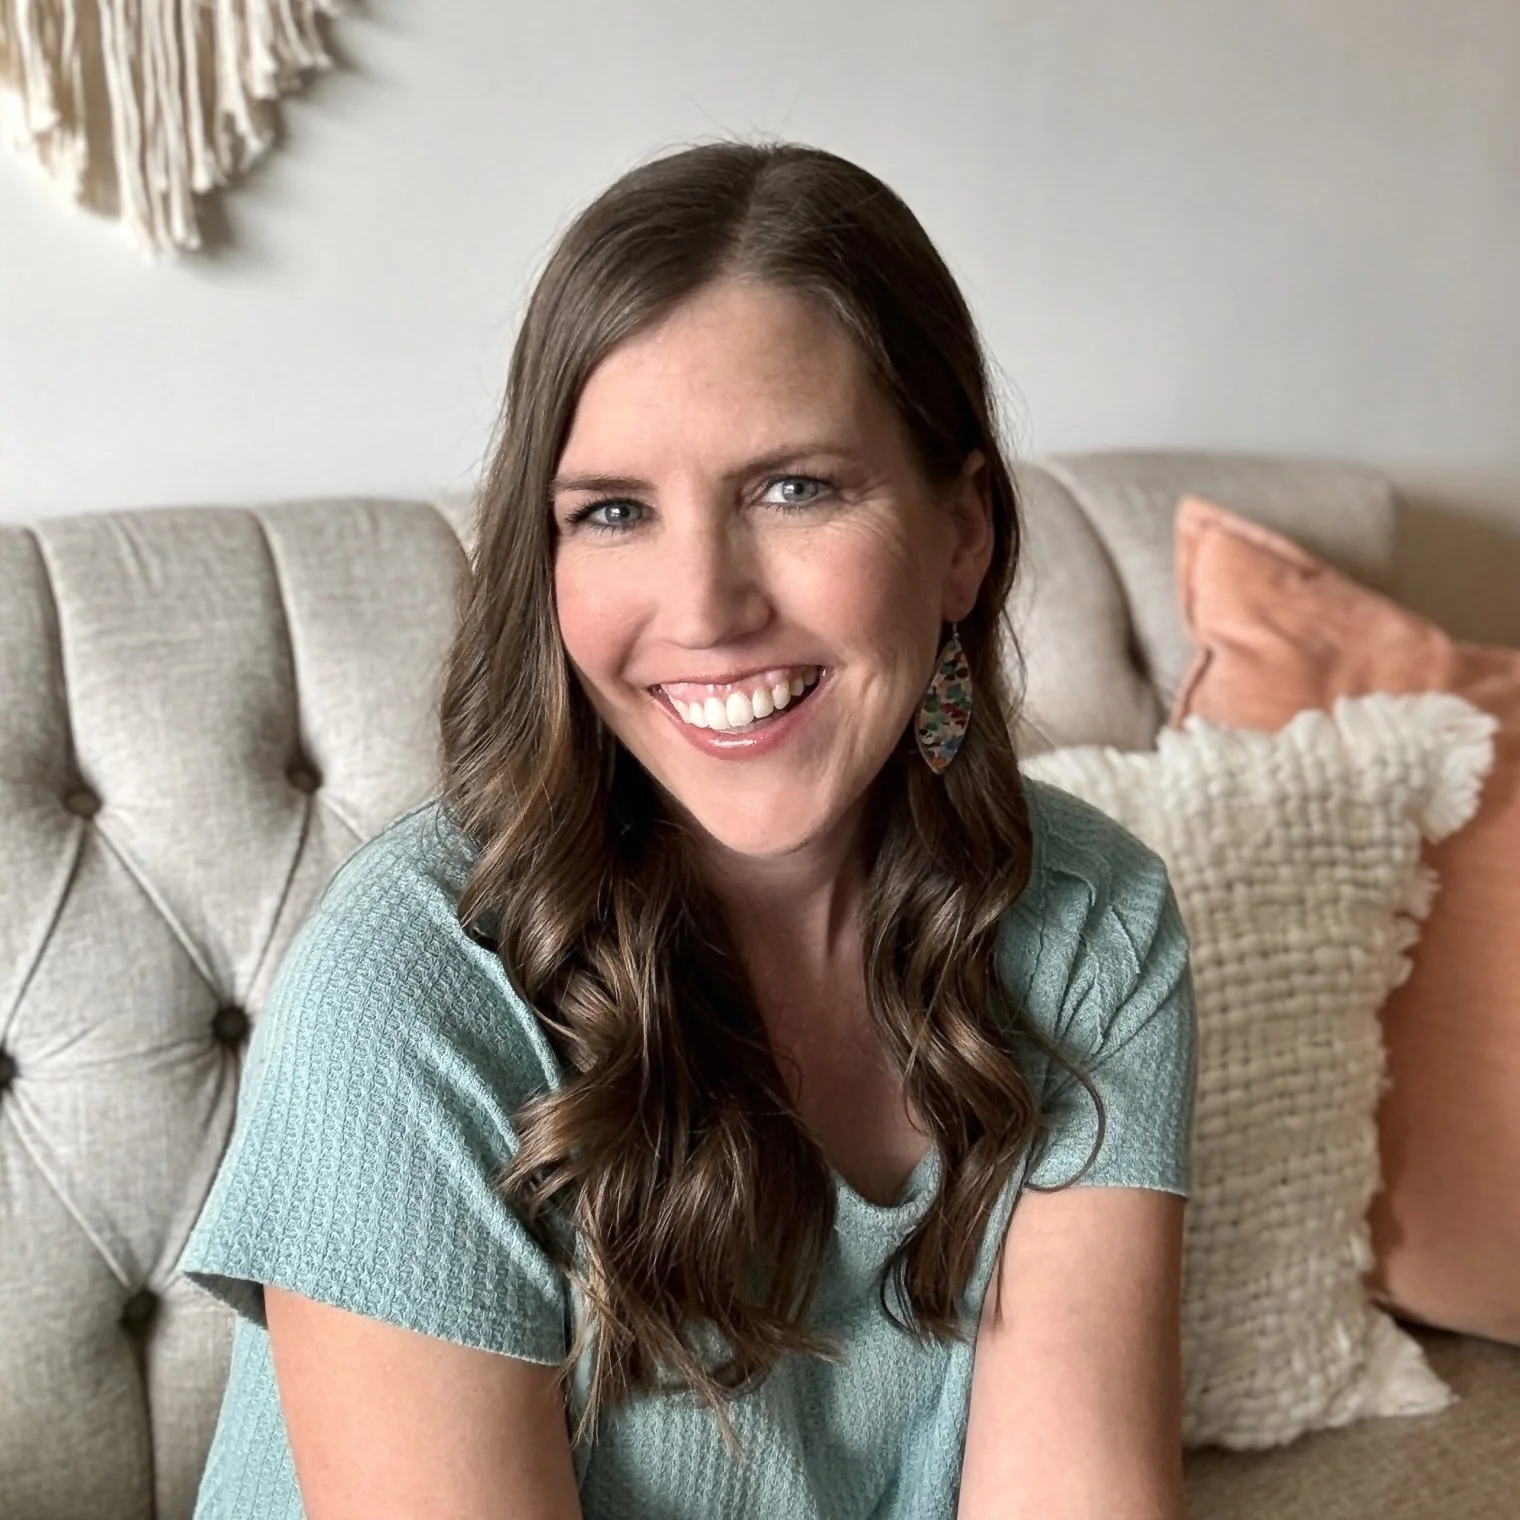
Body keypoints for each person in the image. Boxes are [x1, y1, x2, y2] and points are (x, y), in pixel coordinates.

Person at [178, 138, 1197, 1520]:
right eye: (613, 511)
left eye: (794, 488)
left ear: (962, 533)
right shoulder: (411, 988)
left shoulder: (1093, 927)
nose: (706, 607)